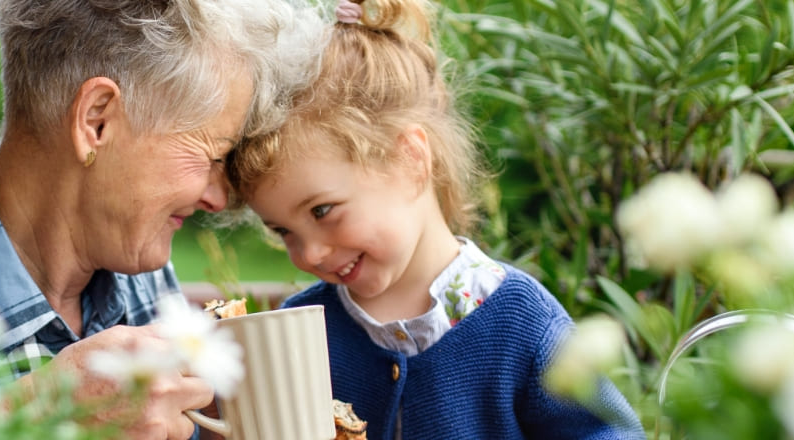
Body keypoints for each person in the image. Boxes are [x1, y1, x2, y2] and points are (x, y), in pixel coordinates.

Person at [0, 0, 324, 438]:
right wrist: (40, 416)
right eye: (212, 155)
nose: (218, 197)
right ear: (97, 121)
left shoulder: (142, 278)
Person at [222, 0, 645, 438]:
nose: (308, 252)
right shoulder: (304, 329)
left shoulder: (520, 322)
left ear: (410, 160)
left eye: (322, 211)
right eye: (283, 231)